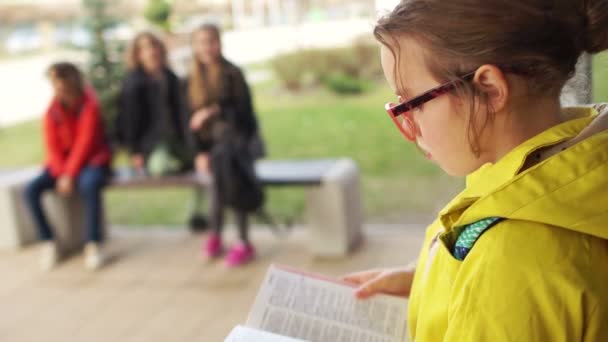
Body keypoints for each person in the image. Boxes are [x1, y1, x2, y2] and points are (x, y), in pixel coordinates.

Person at [343, 0, 608, 340]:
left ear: (490, 90)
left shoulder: (510, 262)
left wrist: (485, 282)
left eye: (411, 104)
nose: (409, 128)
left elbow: (521, 278)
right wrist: (431, 280)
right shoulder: (558, 173)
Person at [185, 23, 263, 267]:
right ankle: (216, 235)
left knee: (232, 185)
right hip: (212, 150)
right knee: (218, 189)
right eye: (202, 42)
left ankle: (242, 241)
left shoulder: (232, 74)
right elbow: (189, 123)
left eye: (212, 41)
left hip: (236, 147)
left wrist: (212, 111)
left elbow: (246, 116)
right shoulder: (190, 79)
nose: (207, 47)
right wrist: (199, 153)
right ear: (195, 47)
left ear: (219, 42)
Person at [24, 62, 112, 271]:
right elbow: (51, 146)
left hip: (91, 161)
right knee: (31, 190)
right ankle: (49, 241)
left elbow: (85, 143)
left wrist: (69, 175)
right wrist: (62, 173)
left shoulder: (89, 104)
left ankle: (92, 243)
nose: (59, 86)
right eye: (55, 81)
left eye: (62, 79)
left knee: (90, 185)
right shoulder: (52, 110)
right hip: (62, 167)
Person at [116, 31, 191, 177]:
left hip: (175, 137)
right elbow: (129, 121)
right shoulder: (133, 83)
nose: (151, 52)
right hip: (151, 142)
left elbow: (182, 112)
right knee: (160, 169)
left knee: (197, 160)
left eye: (154, 46)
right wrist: (135, 152)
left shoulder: (170, 78)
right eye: (145, 48)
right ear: (138, 54)